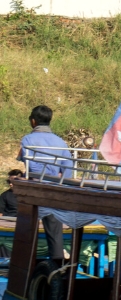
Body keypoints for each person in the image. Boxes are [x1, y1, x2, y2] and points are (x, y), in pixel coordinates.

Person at [17, 105, 69, 265]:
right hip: (55, 189)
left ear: (33, 121)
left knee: (27, 226)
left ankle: (24, 263)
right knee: (54, 228)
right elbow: (67, 170)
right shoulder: (61, 142)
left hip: (35, 189)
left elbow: (29, 164)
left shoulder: (28, 140)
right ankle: (57, 265)